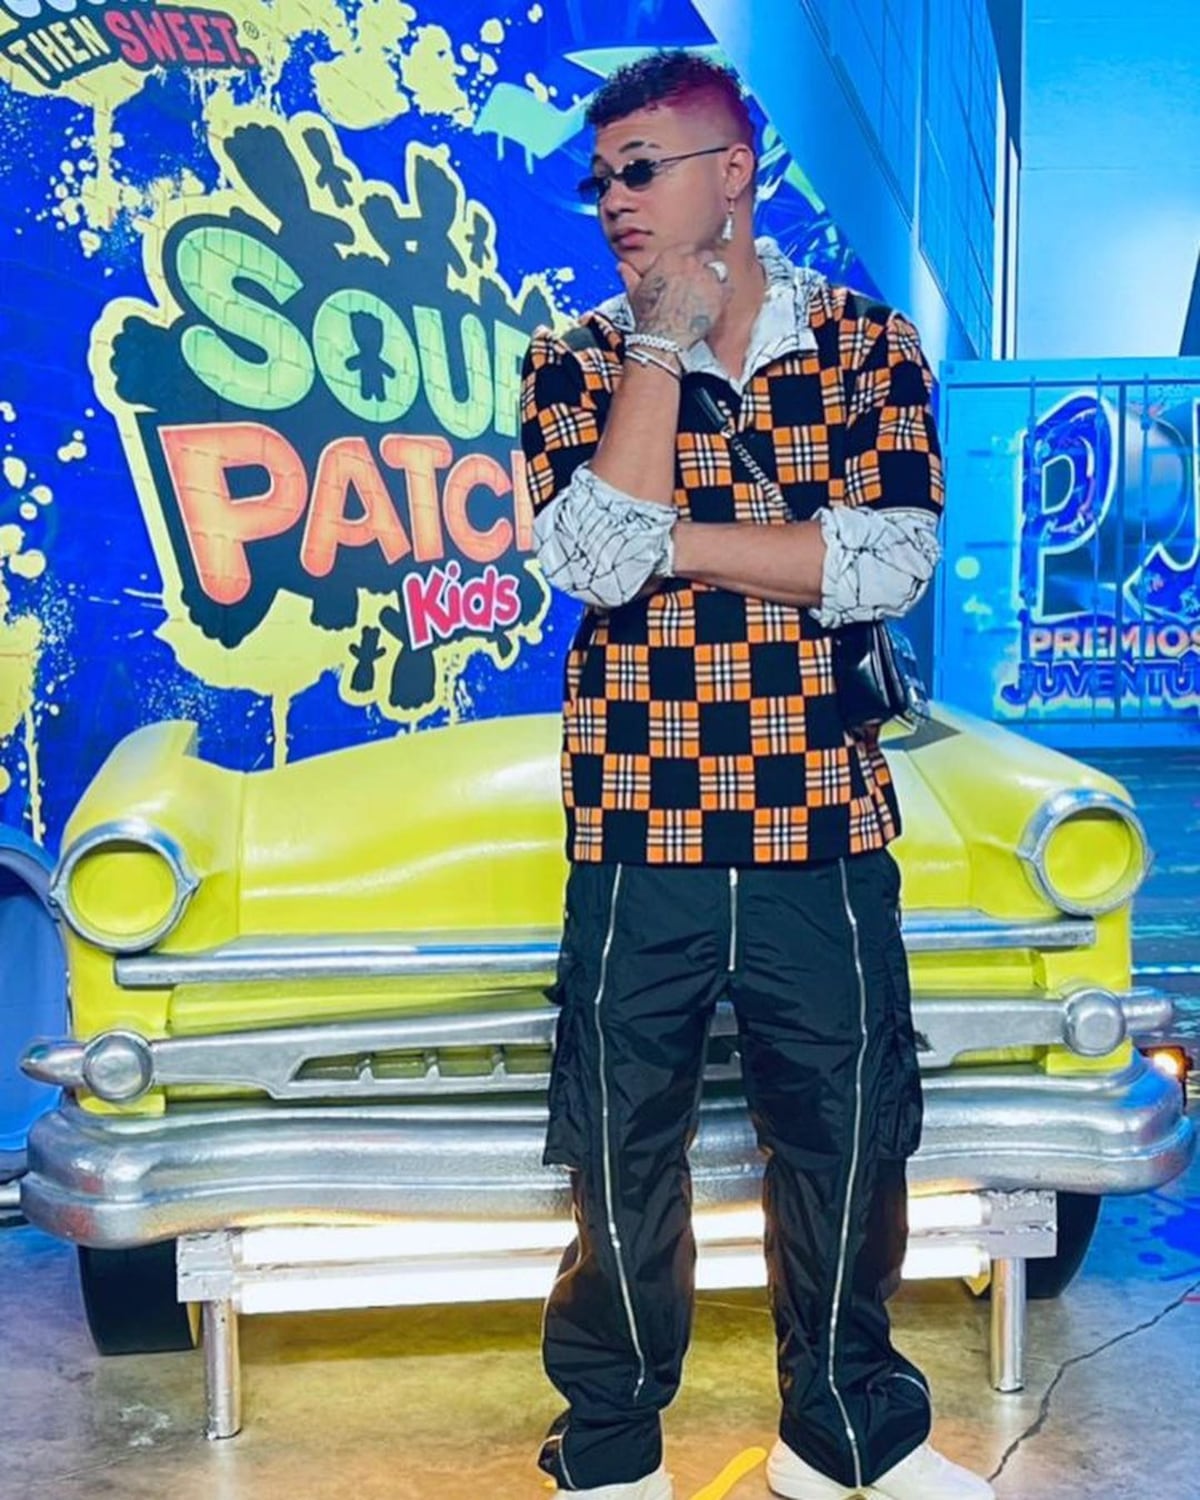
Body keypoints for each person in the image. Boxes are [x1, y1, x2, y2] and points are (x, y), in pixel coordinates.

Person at [519, 49, 993, 1500]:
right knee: (620, 1154)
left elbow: (889, 563)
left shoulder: (866, 347)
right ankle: (611, 1451)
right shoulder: (576, 362)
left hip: (821, 823)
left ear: (735, 173)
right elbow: (588, 562)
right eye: (601, 178)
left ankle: (845, 1440)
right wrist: (659, 359)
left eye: (642, 168)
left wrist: (674, 540)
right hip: (635, 830)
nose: (615, 199)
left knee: (848, 1140)